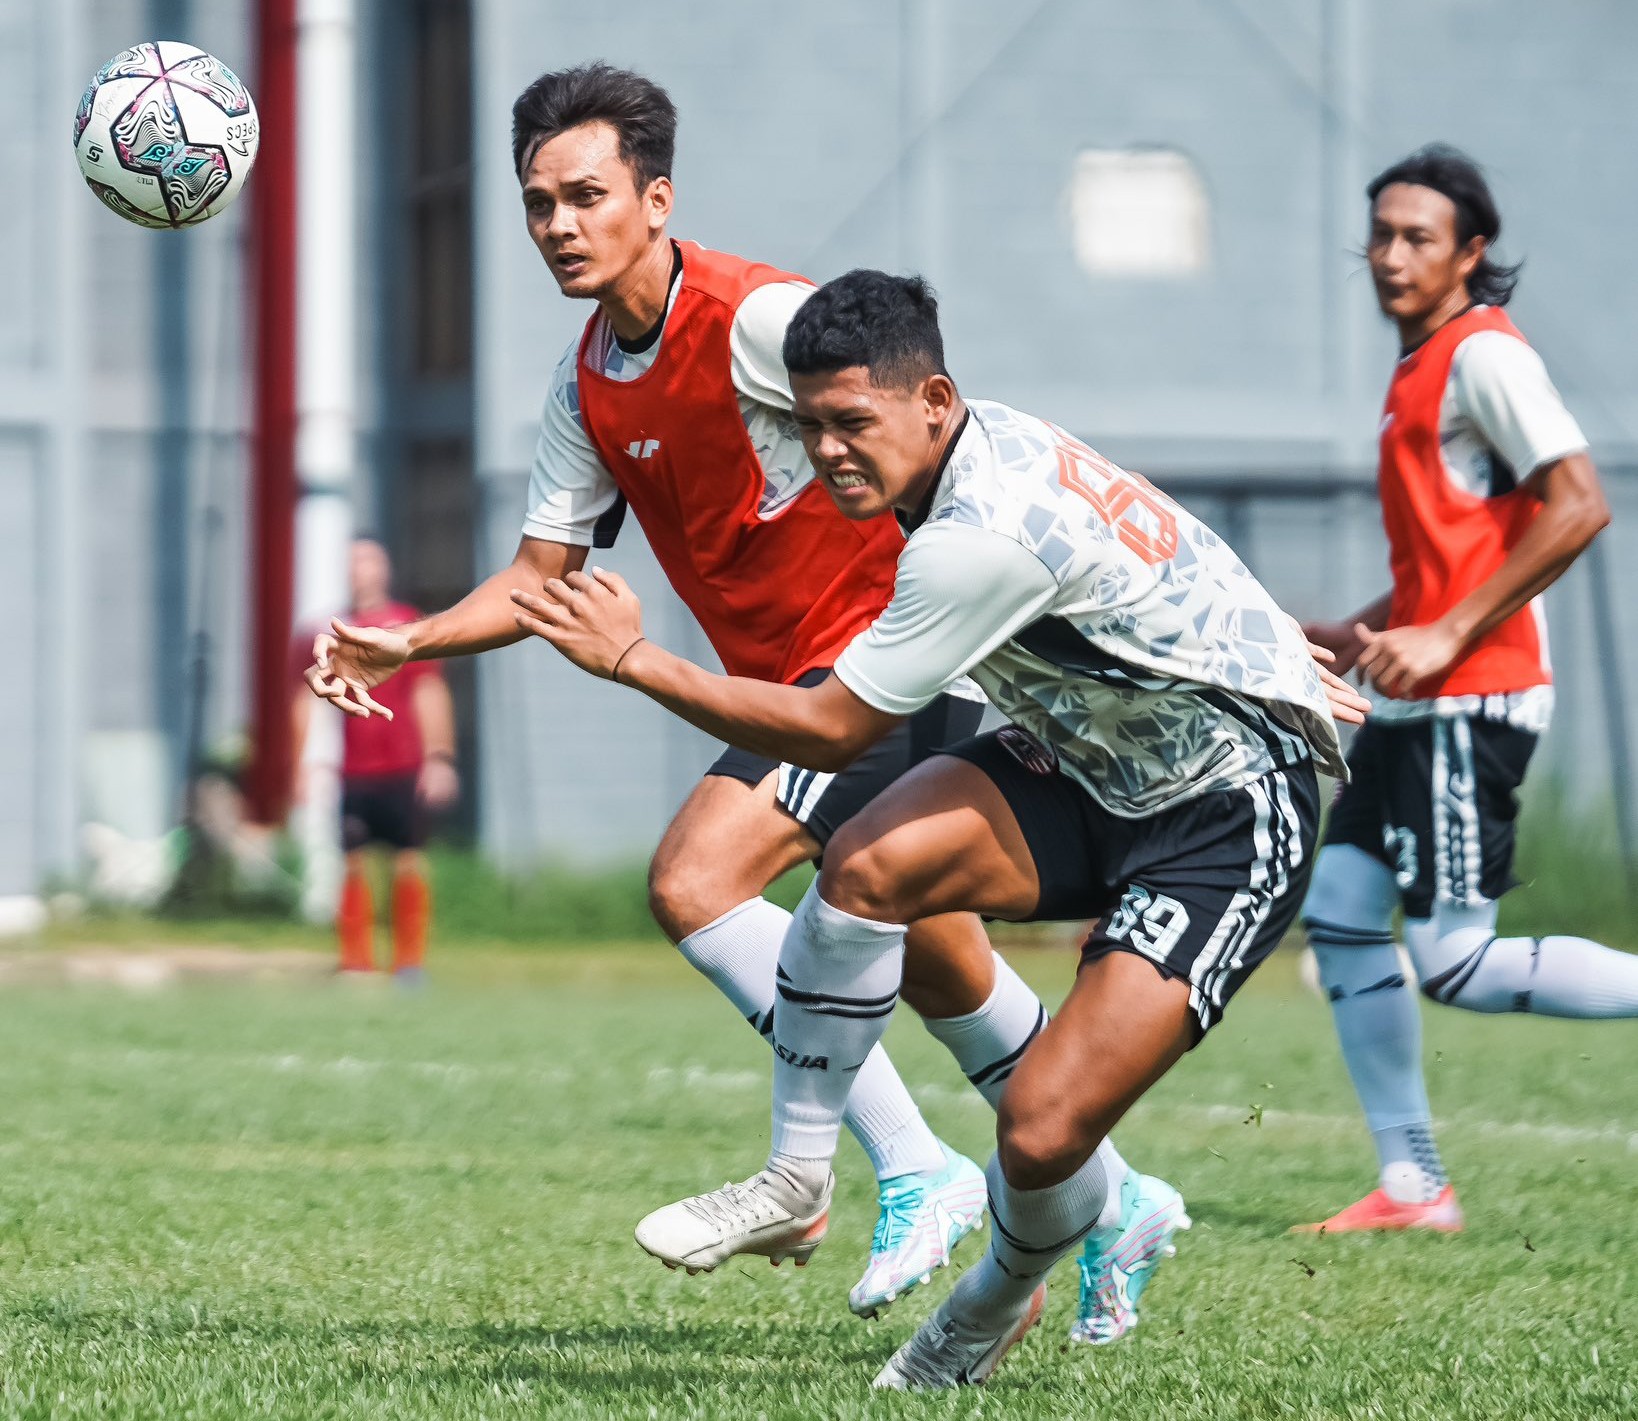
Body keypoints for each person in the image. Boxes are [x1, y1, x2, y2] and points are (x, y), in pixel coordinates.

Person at [304, 62, 1071, 1318]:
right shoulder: (584, 379)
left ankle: (914, 1168)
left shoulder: (761, 318)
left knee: (696, 879)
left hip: (882, 661)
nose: (559, 224)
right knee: (938, 965)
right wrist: (414, 640)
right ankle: (1120, 1191)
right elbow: (541, 577)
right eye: (539, 202)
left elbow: (937, 426)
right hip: (794, 687)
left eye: (587, 195)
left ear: (656, 200)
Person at [510, 269, 1361, 1387]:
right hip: (1087, 758)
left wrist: (635, 659)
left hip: (1224, 809)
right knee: (869, 866)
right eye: (806, 424)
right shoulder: (987, 446)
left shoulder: (973, 537)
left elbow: (830, 727)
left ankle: (988, 1300)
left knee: (1045, 1134)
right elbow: (1154, 532)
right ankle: (805, 1174)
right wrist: (1258, 640)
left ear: (935, 400)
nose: (826, 452)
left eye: (851, 423)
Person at [1294, 145, 1633, 1234]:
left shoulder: (1485, 356)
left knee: (1456, 961)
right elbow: (1447, 557)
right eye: (1381, 234)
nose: (1392, 255)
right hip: (1416, 694)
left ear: (1470, 251)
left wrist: (1442, 633)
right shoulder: (1421, 364)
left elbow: (1578, 504)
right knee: (1343, 913)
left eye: (1419, 237)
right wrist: (1365, 627)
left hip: (1473, 696)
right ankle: (1413, 1183)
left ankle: (1416, 1181)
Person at [291, 538, 459, 980]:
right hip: (354, 772)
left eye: (369, 561)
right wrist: (302, 766)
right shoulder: (327, 631)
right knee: (353, 860)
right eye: (353, 562)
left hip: (403, 767)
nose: (361, 570)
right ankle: (356, 961)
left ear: (384, 569)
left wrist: (438, 757)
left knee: (408, 859)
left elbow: (429, 691)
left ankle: (408, 963)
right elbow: (306, 701)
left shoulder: (406, 626)